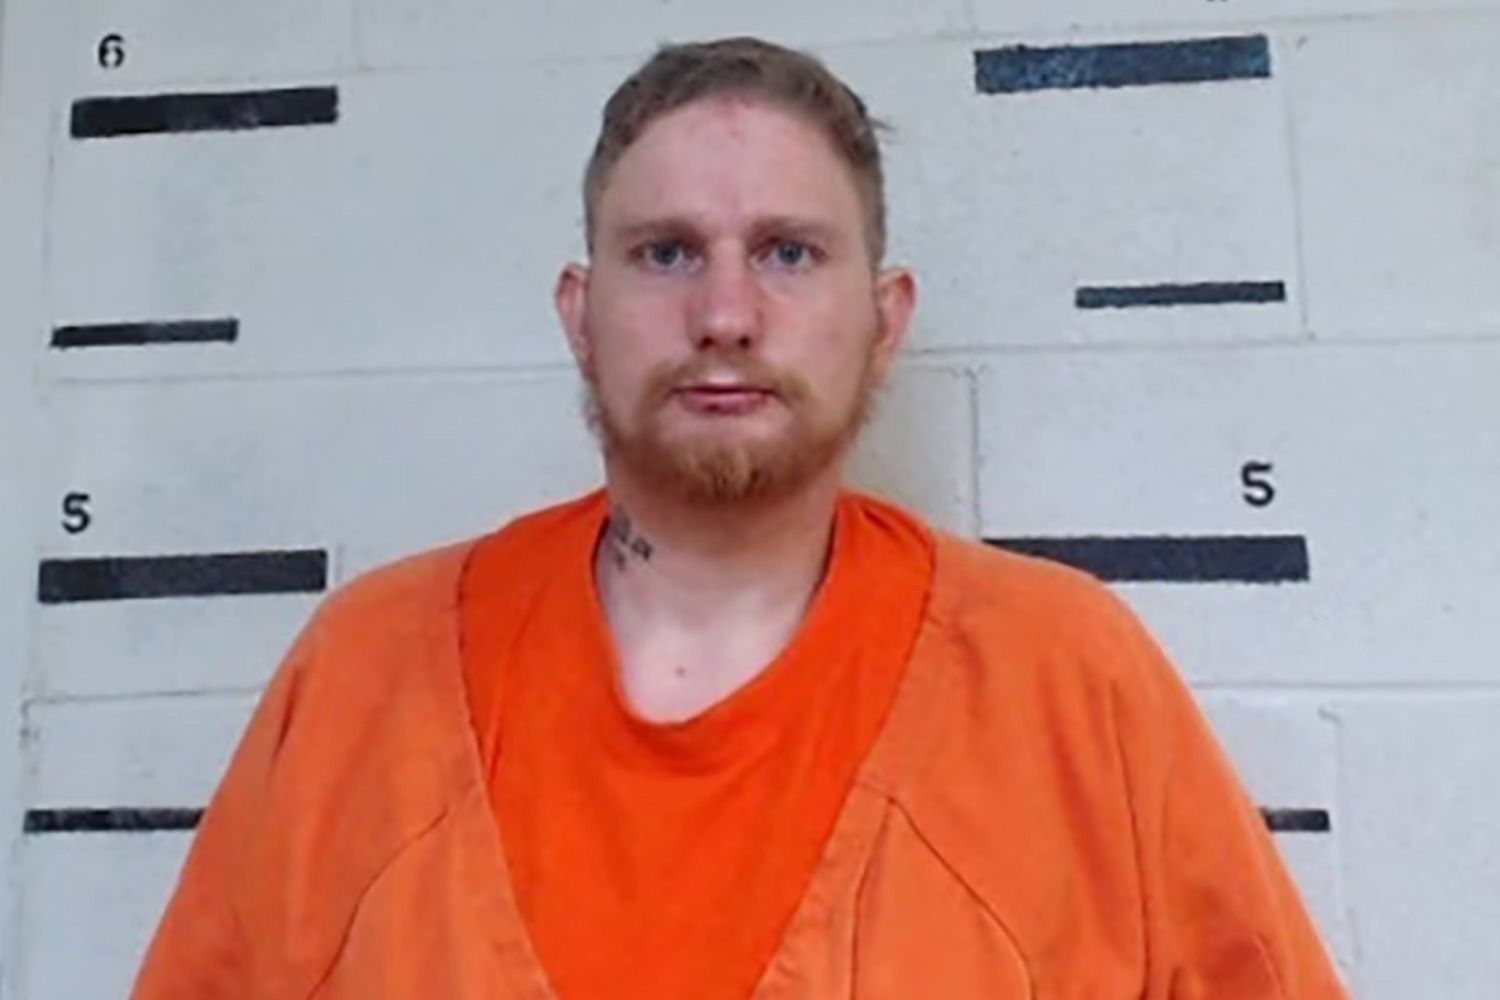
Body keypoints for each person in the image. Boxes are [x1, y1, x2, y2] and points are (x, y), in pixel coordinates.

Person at [131, 36, 1348, 999]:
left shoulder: (1070, 683)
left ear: (885, 318)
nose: (725, 314)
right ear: (579, 312)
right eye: (665, 254)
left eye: (789, 253)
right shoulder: (363, 677)